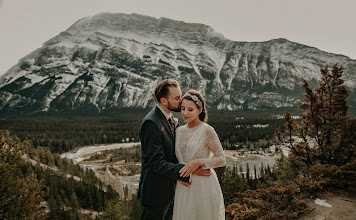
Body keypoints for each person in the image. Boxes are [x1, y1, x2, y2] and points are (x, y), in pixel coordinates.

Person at [138, 79, 211, 220]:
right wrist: (188, 171)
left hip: (170, 191)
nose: (181, 101)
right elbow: (157, 163)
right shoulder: (151, 123)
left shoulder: (170, 119)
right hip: (155, 195)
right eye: (177, 98)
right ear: (164, 101)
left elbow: (172, 155)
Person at [173, 89, 226, 220]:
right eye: (183, 108)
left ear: (200, 110)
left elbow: (222, 159)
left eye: (190, 110)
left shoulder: (207, 130)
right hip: (184, 185)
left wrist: (199, 162)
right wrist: (179, 174)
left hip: (204, 186)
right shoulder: (178, 131)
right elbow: (176, 160)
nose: (185, 113)